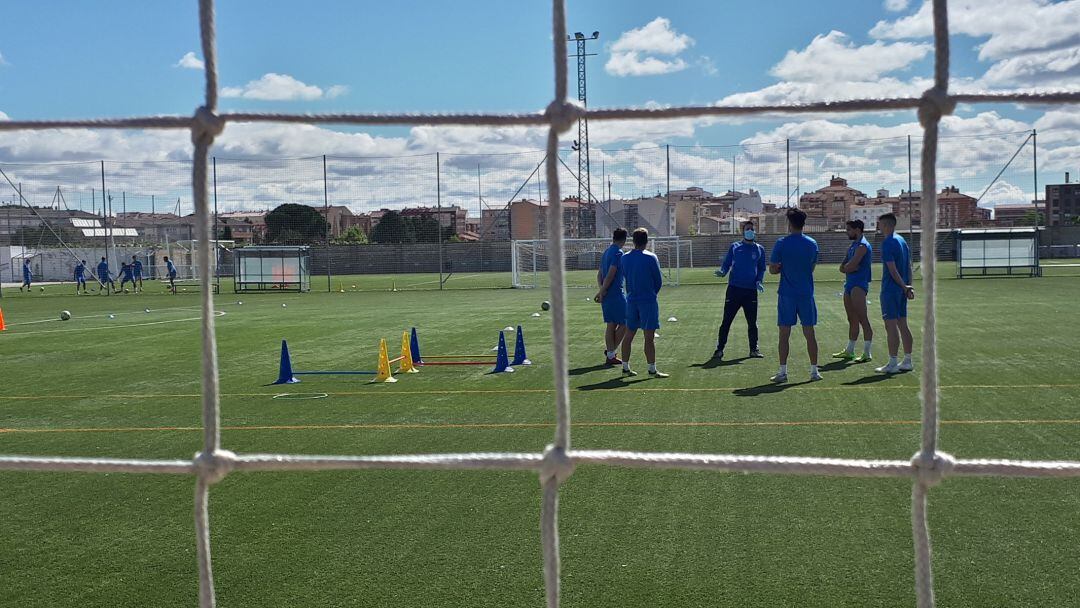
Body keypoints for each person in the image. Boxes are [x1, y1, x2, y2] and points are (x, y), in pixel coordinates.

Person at [768, 208, 821, 383]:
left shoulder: (781, 243)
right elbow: (812, 268)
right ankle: (814, 371)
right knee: (809, 332)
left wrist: (782, 268)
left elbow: (773, 269)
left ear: (789, 224)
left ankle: (783, 372)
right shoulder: (812, 243)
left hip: (787, 294)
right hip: (806, 293)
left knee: (784, 334)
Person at [618, 228, 668, 378]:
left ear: (633, 241)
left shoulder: (625, 258)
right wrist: (651, 294)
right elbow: (658, 281)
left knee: (628, 335)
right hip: (648, 301)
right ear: (646, 241)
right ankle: (652, 369)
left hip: (631, 300)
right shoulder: (651, 257)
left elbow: (625, 276)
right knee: (649, 337)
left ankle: (625, 366)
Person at [713, 220, 766, 360]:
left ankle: (753, 349)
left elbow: (761, 268)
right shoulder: (735, 247)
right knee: (726, 321)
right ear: (743, 231)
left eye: (752, 229)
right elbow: (727, 263)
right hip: (734, 289)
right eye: (748, 229)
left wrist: (759, 281)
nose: (750, 231)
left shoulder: (760, 249)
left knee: (752, 322)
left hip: (750, 291)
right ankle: (719, 349)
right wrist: (723, 272)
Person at [875, 213, 916, 374]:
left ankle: (892, 362)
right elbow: (909, 266)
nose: (878, 227)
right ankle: (907, 360)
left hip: (891, 290)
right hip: (901, 290)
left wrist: (904, 286)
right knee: (903, 324)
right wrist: (908, 286)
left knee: (890, 326)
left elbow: (892, 270)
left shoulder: (888, 243)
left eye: (880, 224)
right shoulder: (902, 240)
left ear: (886, 225)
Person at [833, 219, 874, 362]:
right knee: (852, 319)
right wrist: (848, 267)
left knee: (863, 319)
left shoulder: (863, 246)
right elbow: (842, 267)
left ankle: (867, 353)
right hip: (849, 285)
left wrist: (848, 267)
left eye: (849, 229)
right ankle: (850, 351)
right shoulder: (852, 246)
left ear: (857, 230)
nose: (847, 232)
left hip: (858, 286)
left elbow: (849, 267)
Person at [594, 228, 628, 366]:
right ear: (624, 240)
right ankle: (611, 353)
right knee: (626, 322)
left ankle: (610, 353)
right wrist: (603, 290)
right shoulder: (619, 253)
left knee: (611, 324)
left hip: (607, 294)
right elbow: (611, 273)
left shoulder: (607, 252)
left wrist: (601, 290)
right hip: (615, 294)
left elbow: (600, 274)